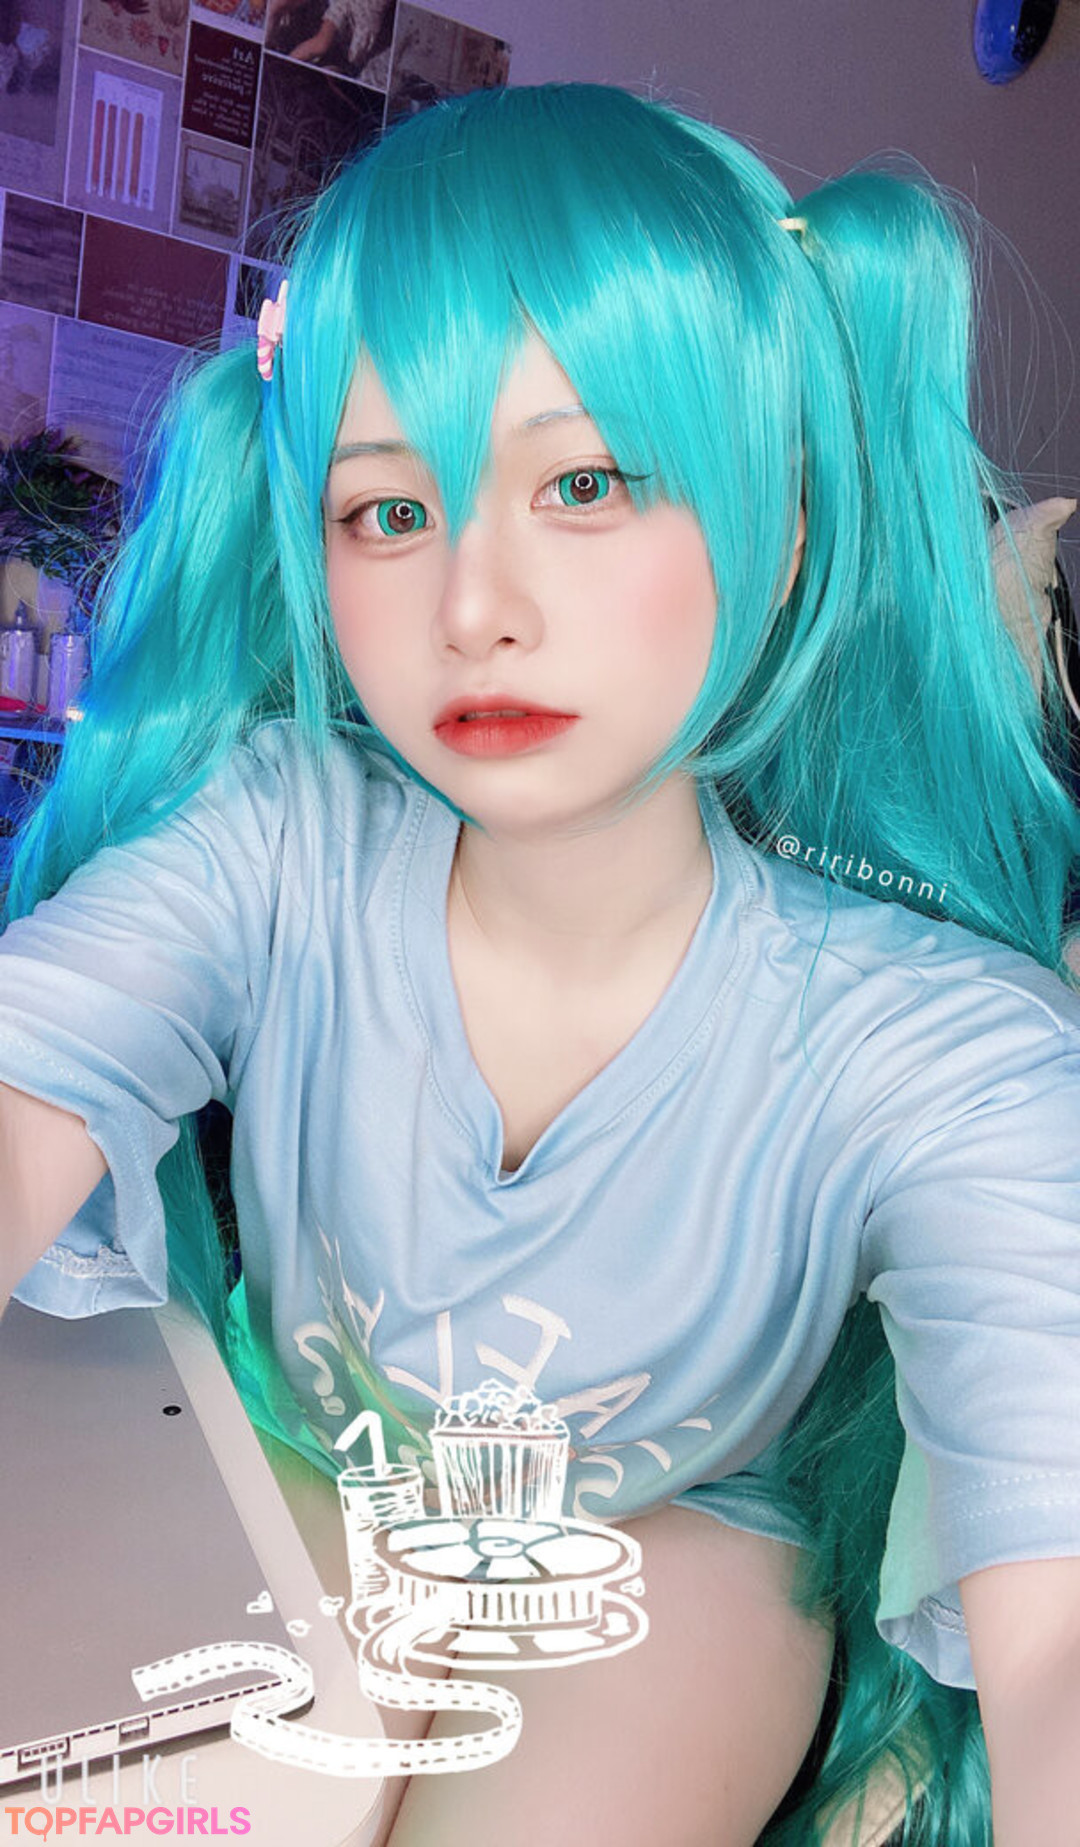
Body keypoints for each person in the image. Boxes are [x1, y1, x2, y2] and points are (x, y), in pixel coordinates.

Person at [1, 81, 1079, 1846]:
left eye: (584, 485)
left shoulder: (937, 1049)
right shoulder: (277, 838)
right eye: (387, 513)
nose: (471, 609)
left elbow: (1058, 1613)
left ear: (786, 534)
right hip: (310, 1465)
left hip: (677, 1553)